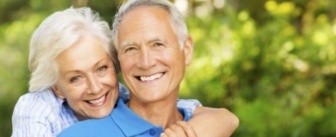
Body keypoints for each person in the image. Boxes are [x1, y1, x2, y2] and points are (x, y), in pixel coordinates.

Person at [12, 6, 238, 137]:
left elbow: (222, 116)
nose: (146, 62)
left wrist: (222, 120)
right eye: (131, 48)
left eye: (101, 68)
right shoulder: (40, 113)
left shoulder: (196, 123)